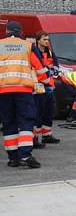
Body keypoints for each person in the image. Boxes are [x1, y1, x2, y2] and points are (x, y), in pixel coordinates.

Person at [0, 22, 47, 169]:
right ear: (21, 32)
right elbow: (39, 69)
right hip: (23, 90)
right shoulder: (27, 46)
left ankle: (13, 158)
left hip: (3, 91)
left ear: (6, 31)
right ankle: (25, 155)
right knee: (26, 121)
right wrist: (46, 81)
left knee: (9, 122)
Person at [31, 31, 60, 147]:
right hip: (38, 86)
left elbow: (56, 65)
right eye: (44, 39)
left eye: (48, 40)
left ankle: (46, 135)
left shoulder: (49, 52)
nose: (47, 42)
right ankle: (35, 138)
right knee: (38, 112)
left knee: (48, 112)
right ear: (38, 40)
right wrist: (49, 68)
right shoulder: (34, 52)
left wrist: (53, 69)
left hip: (49, 86)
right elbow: (39, 68)